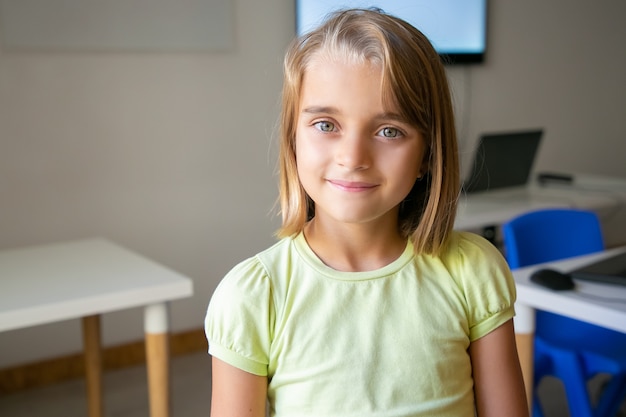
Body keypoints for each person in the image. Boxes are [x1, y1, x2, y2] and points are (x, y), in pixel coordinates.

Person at [205, 8, 529, 417]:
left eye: (388, 131)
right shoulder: (252, 296)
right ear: (293, 139)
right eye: (326, 125)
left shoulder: (473, 271)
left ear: (428, 153)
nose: (353, 157)